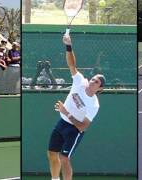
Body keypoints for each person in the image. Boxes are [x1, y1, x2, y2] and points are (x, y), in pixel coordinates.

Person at [47, 33, 106, 180]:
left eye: (96, 82)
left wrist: (66, 113)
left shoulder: (94, 105)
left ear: (100, 89)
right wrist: (68, 45)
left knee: (64, 158)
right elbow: (71, 64)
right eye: (93, 79)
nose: (92, 81)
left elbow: (82, 127)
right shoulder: (80, 81)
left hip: (74, 131)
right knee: (52, 153)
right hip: (61, 124)